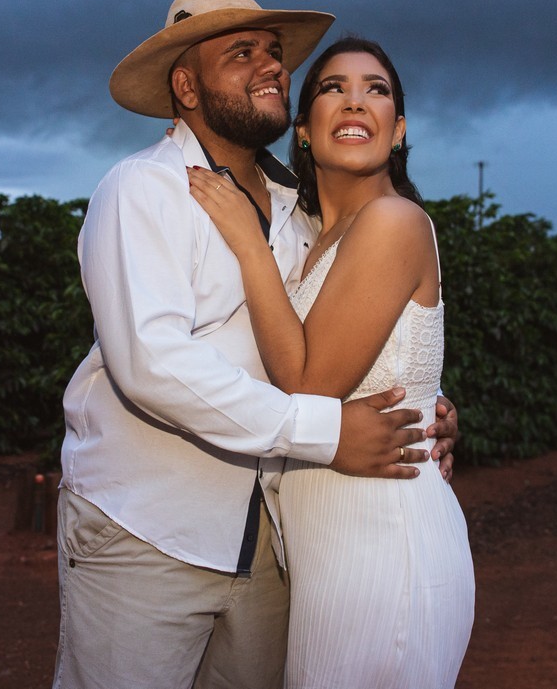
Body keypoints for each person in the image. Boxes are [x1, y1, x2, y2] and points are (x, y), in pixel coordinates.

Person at [55, 0, 461, 689]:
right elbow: (150, 362)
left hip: (279, 549)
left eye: (274, 53)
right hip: (148, 531)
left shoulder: (301, 211)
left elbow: (352, 325)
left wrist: (421, 402)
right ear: (186, 84)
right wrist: (327, 429)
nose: (271, 65)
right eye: (241, 53)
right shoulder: (142, 189)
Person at [187, 36, 475, 688]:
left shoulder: (393, 222)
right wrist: (436, 403)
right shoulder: (317, 241)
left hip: (384, 542)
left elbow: (310, 386)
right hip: (331, 552)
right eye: (333, 87)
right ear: (306, 130)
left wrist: (248, 244)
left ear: (398, 131)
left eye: (377, 89)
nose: (356, 100)